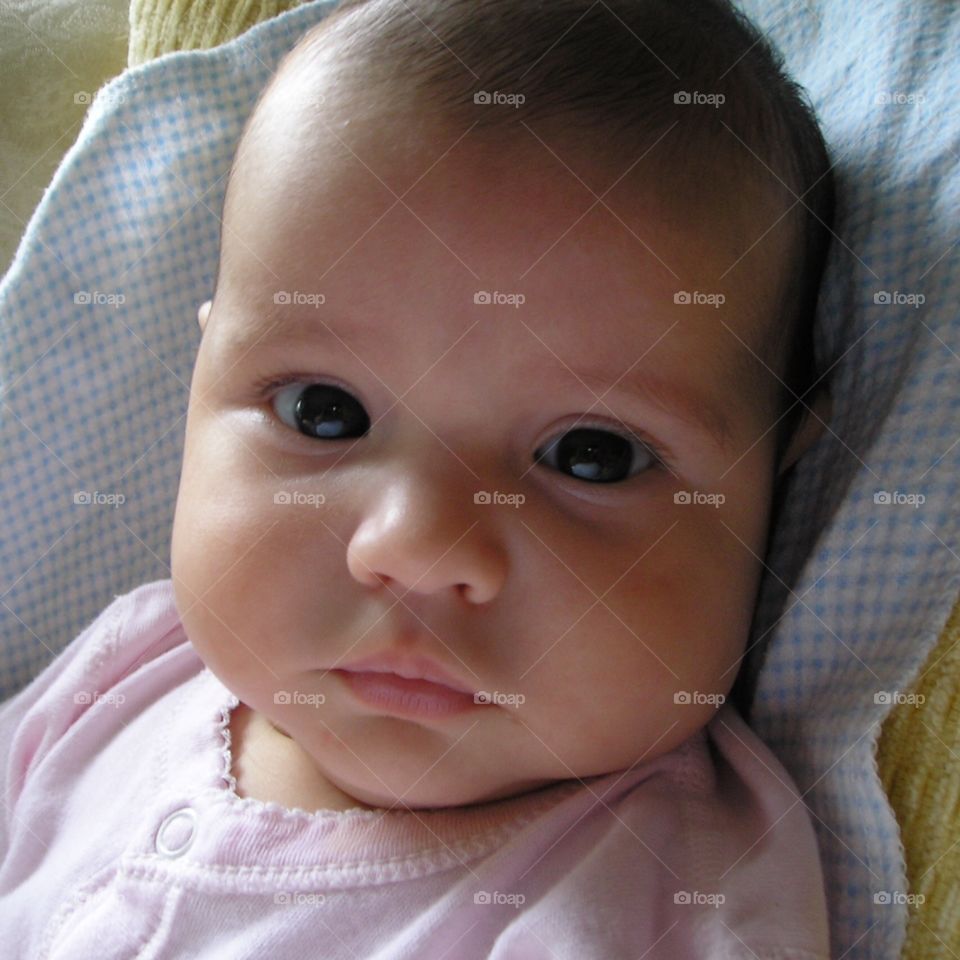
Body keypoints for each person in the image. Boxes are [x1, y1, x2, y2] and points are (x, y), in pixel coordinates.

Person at [0, 0, 836, 955]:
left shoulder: (667, 903)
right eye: (324, 411)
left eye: (590, 456)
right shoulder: (119, 679)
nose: (417, 546)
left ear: (778, 474)